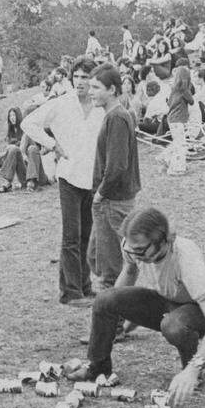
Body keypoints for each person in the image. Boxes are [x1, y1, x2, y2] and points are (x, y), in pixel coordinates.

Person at [66, 207, 205, 406]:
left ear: (164, 241)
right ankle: (98, 366)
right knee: (105, 298)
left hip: (195, 311)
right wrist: (113, 312)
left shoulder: (186, 257)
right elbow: (129, 272)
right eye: (131, 249)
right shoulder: (133, 245)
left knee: (173, 325)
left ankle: (190, 370)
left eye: (141, 250)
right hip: (165, 300)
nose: (135, 253)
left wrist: (194, 369)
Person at [21, 57, 105, 306]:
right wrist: (52, 144)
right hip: (68, 175)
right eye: (76, 76)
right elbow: (29, 123)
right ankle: (70, 292)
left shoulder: (100, 106)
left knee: (86, 234)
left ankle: (84, 285)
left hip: (91, 177)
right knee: (71, 235)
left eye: (85, 77)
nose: (80, 82)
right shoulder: (62, 103)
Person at [87, 64, 141, 291]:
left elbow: (117, 165)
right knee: (93, 255)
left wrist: (101, 193)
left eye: (95, 87)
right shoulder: (115, 115)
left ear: (111, 90)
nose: (90, 92)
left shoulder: (117, 118)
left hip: (113, 201)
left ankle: (115, 321)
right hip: (110, 200)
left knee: (110, 269)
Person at [0, 107, 46, 193]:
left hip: (38, 174)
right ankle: (8, 183)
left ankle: (32, 183)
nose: (12, 117)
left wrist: (23, 154)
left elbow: (39, 152)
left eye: (14, 115)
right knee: (13, 148)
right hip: (25, 176)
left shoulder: (28, 132)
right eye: (10, 115)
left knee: (32, 148)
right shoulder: (10, 135)